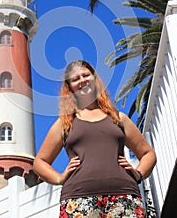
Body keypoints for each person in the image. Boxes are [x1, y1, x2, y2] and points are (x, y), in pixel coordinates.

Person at [33, 60, 156, 217]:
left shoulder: (118, 118)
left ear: (94, 79)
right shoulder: (64, 123)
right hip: (78, 200)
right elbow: (40, 162)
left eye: (86, 75)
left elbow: (148, 153)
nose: (82, 80)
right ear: (69, 87)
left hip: (124, 195)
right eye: (76, 79)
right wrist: (59, 178)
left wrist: (138, 173)